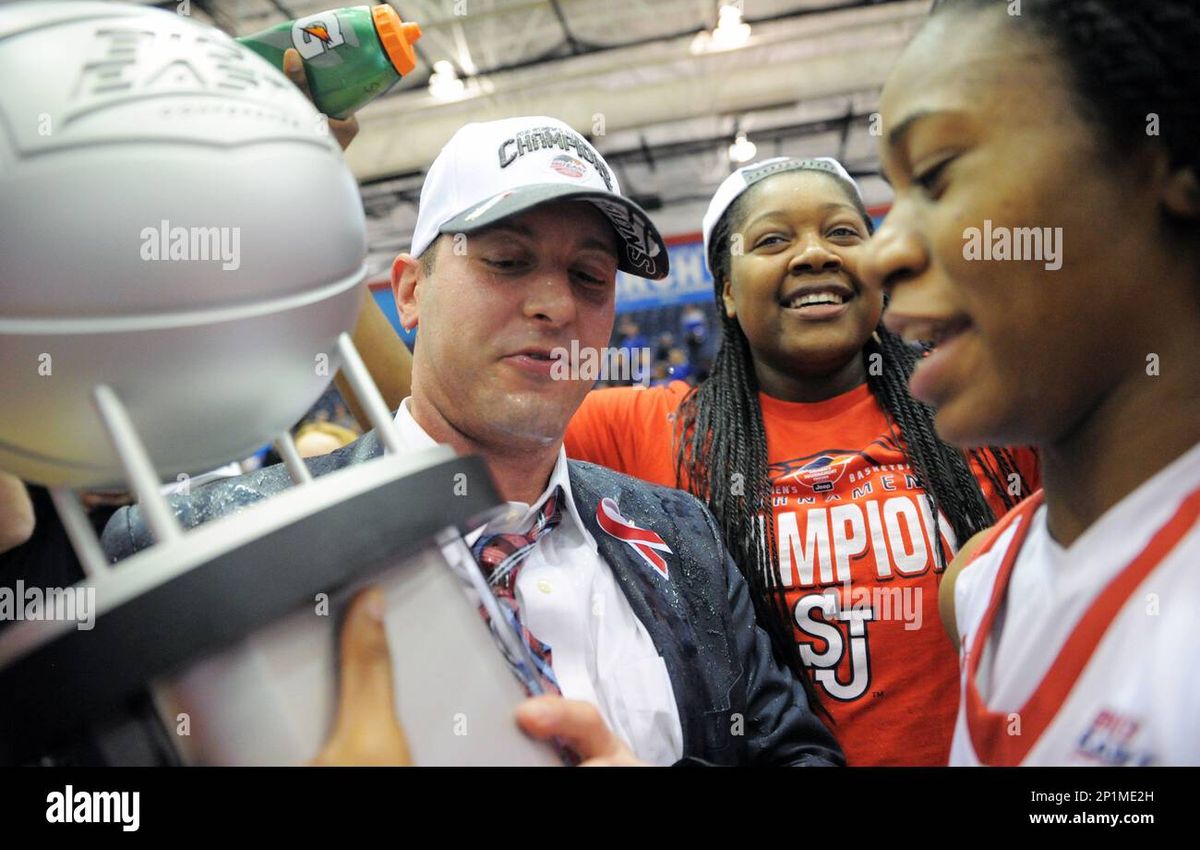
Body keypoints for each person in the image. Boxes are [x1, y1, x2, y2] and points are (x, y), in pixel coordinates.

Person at [102, 116, 843, 767]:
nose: (555, 305)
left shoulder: (684, 540)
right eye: (507, 260)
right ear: (411, 291)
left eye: (589, 275)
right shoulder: (201, 543)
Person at [562, 156, 1038, 765]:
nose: (814, 254)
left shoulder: (983, 401)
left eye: (843, 232)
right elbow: (445, 418)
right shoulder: (652, 427)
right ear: (728, 291)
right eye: (772, 240)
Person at [863, 0, 1200, 765]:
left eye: (938, 173)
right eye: (894, 192)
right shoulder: (983, 583)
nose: (880, 253)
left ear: (1165, 164)